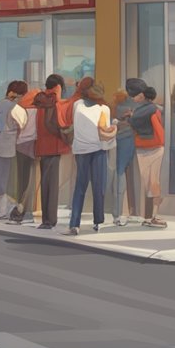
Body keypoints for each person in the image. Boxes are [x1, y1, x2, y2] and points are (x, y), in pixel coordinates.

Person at [65, 80, 116, 236]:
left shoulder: (77, 105)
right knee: (98, 186)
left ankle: (74, 223)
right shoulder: (104, 109)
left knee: (80, 187)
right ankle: (98, 222)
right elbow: (105, 133)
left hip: (81, 150)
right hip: (98, 150)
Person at [125, 83, 167, 228]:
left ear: (143, 96)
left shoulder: (140, 111)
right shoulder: (154, 109)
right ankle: (152, 216)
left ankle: (151, 216)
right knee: (153, 181)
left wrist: (130, 117)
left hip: (144, 147)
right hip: (154, 147)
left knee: (149, 182)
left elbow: (133, 123)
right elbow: (156, 128)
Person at [33, 74, 71, 229]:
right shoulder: (54, 102)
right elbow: (52, 124)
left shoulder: (40, 100)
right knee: (53, 184)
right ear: (58, 87)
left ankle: (46, 219)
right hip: (53, 146)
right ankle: (50, 220)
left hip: (42, 146)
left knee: (45, 183)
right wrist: (65, 135)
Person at [0, 81, 28, 219]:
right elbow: (23, 124)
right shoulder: (16, 108)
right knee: (7, 177)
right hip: (10, 145)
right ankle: (3, 208)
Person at [6, 85, 41, 224]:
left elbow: (12, 126)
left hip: (21, 145)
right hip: (36, 145)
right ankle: (30, 210)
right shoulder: (40, 110)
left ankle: (20, 208)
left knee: (22, 179)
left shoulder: (19, 108)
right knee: (35, 180)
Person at [109, 87, 138, 227]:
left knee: (119, 174)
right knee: (125, 176)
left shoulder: (115, 108)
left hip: (118, 141)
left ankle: (119, 212)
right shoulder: (130, 107)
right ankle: (126, 212)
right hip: (130, 141)